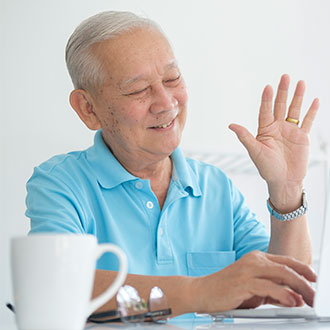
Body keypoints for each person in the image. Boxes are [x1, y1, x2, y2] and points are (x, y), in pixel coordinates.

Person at [26, 11, 319, 318]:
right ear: (88, 109)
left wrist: (287, 192)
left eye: (172, 79)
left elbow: (289, 290)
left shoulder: (215, 187)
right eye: (138, 90)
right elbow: (58, 284)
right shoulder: (61, 183)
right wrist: (202, 292)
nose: (166, 103)